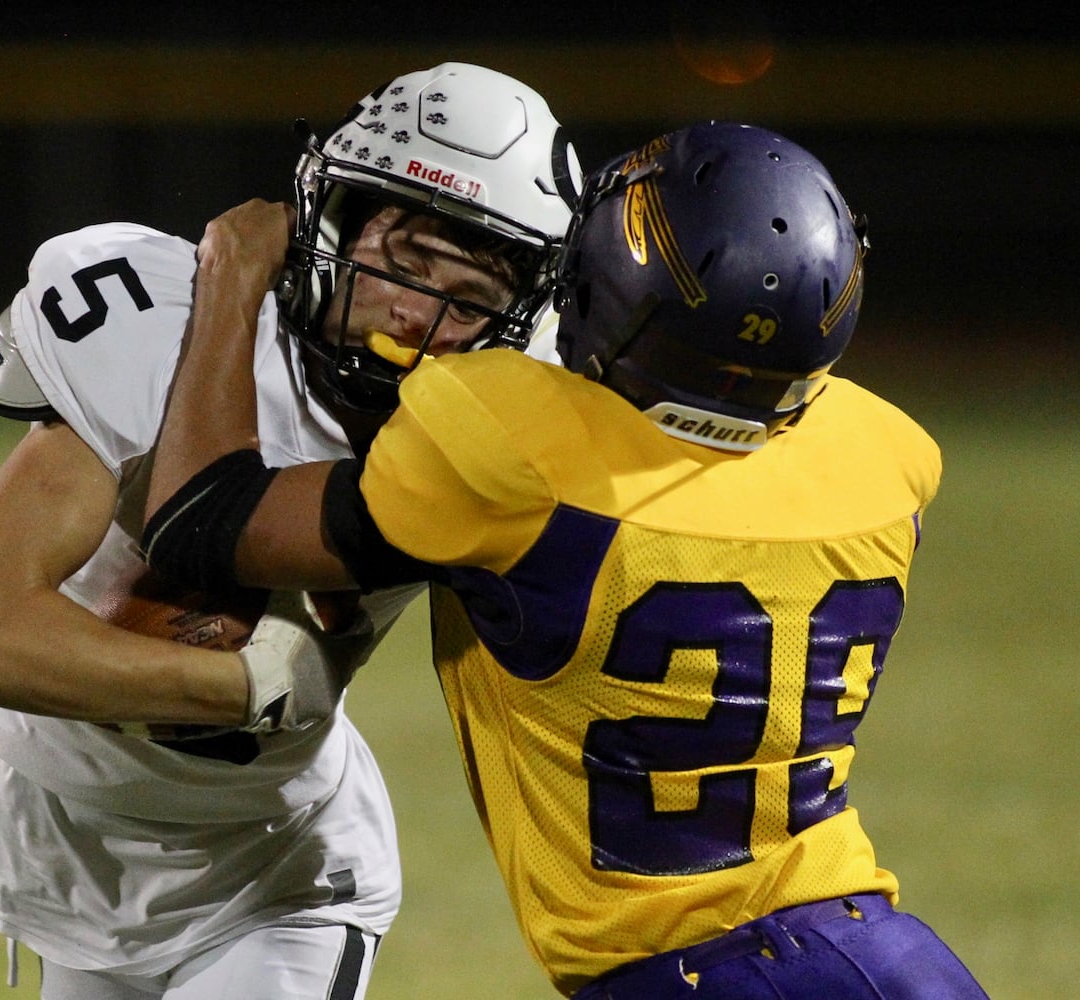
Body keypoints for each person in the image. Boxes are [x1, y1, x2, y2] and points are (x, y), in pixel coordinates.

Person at [139, 122, 989, 998]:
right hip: (890, 954)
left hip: (688, 978)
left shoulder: (513, 450)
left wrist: (233, 282)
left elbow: (197, 521)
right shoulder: (886, 458)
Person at [0, 62, 579, 1000]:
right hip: (65, 851)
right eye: (404, 260)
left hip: (278, 873)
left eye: (466, 300)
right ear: (335, 219)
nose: (416, 314)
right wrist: (244, 685)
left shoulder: (490, 435)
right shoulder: (154, 321)